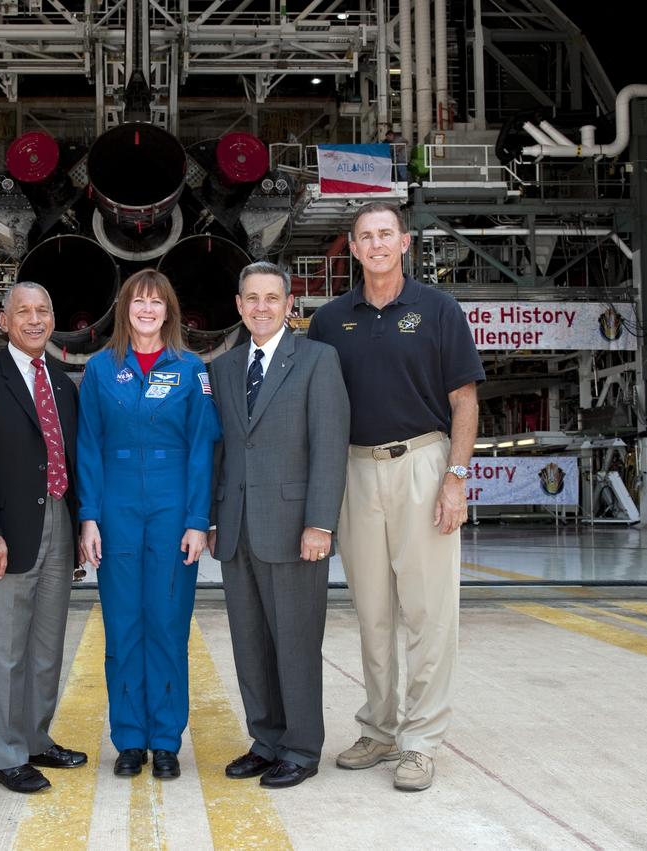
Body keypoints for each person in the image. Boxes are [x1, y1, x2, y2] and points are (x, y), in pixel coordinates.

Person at [308, 201, 484, 792]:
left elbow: (465, 401)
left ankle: (421, 740)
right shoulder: (330, 321)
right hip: (356, 470)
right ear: (353, 248)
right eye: (366, 236)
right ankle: (380, 728)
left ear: (404, 243)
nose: (377, 244)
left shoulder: (438, 309)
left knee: (429, 614)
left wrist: (455, 479)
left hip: (424, 462)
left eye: (387, 234)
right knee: (373, 614)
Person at [207, 262, 349, 789]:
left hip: (294, 529)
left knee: (294, 641)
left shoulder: (317, 359)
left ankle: (302, 747)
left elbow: (329, 446)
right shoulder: (222, 369)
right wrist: (217, 516)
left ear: (290, 304)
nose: (262, 307)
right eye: (252, 298)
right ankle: (265, 741)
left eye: (272, 298)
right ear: (239, 306)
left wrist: (320, 523)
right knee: (250, 643)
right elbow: (221, 451)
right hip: (238, 527)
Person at [0, 282, 87, 794]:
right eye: (22, 311)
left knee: (46, 646)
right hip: (3, 533)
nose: (33, 319)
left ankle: (33, 737)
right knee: (2, 648)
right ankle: (5, 755)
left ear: (53, 320)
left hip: (57, 526)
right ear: (3, 320)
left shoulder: (65, 386)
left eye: (42, 310)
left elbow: (72, 460)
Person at [77, 269, 220, 780]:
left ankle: (165, 740)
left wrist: (197, 520)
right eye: (137, 300)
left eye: (156, 301)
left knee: (166, 623)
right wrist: (89, 517)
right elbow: (88, 446)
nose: (146, 308)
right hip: (115, 506)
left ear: (169, 311)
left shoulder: (189, 369)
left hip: (172, 503)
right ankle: (130, 740)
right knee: (122, 625)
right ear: (125, 309)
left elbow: (203, 447)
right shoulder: (98, 370)